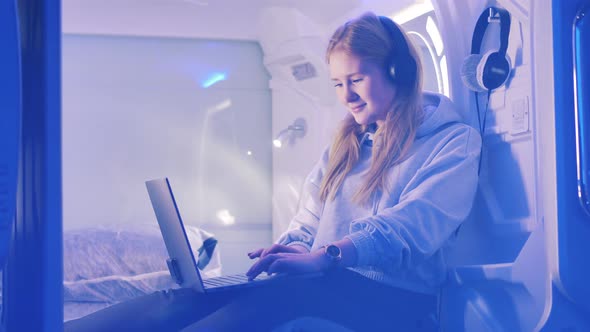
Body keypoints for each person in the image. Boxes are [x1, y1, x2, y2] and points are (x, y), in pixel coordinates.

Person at [65, 11, 481, 332]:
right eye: (337, 83)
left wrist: (326, 256)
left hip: (392, 300)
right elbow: (307, 224)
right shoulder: (345, 145)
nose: (346, 96)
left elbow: (408, 230)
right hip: (327, 279)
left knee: (260, 306)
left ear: (398, 72)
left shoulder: (452, 142)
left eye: (355, 79)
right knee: (184, 300)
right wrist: (291, 250)